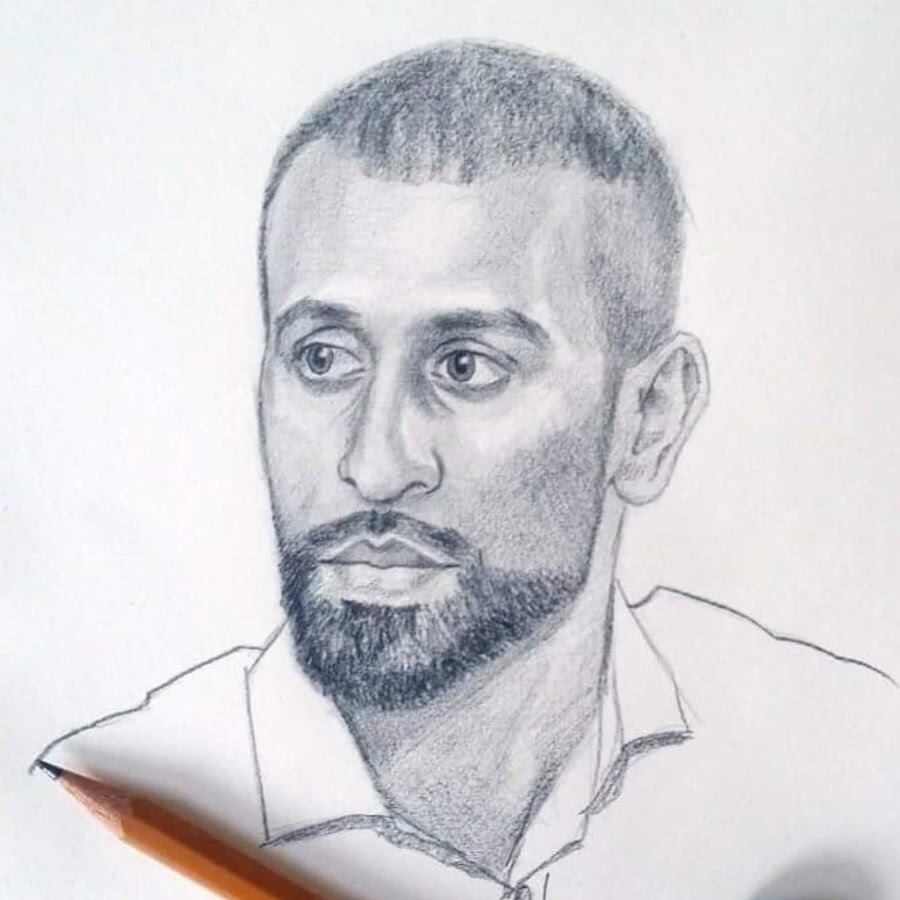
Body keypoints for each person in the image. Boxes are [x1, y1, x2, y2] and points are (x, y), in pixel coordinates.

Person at [37, 41, 900, 900]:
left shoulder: (849, 750)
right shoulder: (106, 835)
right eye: (324, 358)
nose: (375, 466)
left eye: (466, 367)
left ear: (649, 420)